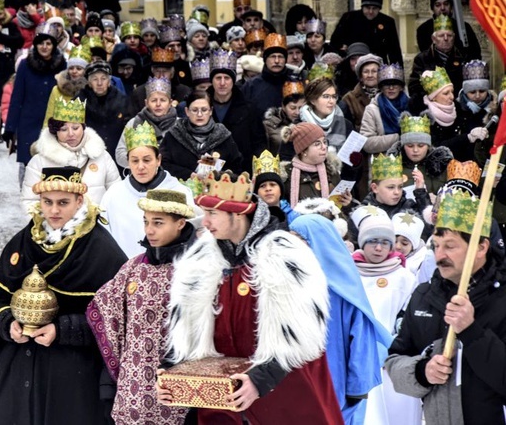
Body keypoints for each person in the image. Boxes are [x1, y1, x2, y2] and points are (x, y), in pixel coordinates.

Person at [159, 178, 345, 424]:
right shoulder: (200, 261)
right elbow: (187, 326)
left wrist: (259, 381)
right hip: (225, 400)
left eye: (212, 213)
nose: (205, 222)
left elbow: (303, 337)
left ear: (237, 214)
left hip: (287, 395)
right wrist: (172, 370)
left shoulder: (285, 256)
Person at [0, 166, 127, 425]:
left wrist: (62, 330)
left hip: (73, 376)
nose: (54, 211)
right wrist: (8, 325)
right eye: (47, 202)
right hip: (20, 366)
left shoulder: (101, 250)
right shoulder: (24, 241)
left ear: (80, 200)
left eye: (63, 203)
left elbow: (117, 318)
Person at [385, 190, 506, 424]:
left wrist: (472, 331)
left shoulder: (501, 300)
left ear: (481, 247)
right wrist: (422, 372)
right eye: (436, 245)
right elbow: (394, 360)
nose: (440, 256)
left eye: (450, 246)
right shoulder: (424, 296)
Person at [87, 189, 205, 424]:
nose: (149, 230)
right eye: (146, 222)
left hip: (179, 395)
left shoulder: (199, 270)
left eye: (158, 223)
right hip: (132, 394)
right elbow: (105, 312)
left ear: (180, 223)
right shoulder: (134, 268)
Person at [290, 214, 393, 425]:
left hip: (337, 383)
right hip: (297, 382)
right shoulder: (289, 282)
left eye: (298, 240)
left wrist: (358, 387)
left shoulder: (343, 287)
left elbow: (362, 338)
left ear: (317, 242)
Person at [350, 211, 421, 425]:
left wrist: (394, 346)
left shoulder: (404, 277)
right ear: (362, 243)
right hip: (359, 358)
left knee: (397, 413)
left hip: (394, 360)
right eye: (372, 242)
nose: (379, 248)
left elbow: (409, 317)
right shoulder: (351, 274)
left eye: (384, 242)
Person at [102, 122, 197, 257]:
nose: (141, 166)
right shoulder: (113, 194)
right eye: (135, 161)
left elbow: (189, 238)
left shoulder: (179, 193)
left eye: (147, 160)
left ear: (158, 160)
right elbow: (105, 239)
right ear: (128, 162)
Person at [22, 97, 120, 213]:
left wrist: (104, 223)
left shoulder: (102, 157)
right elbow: (29, 201)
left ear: (83, 128)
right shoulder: (39, 161)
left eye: (75, 128)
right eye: (63, 129)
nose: (71, 134)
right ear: (55, 132)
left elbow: (116, 196)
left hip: (96, 227)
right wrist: (49, 225)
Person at [4, 23, 66, 182]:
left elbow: (66, 95)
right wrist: (10, 127)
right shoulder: (26, 65)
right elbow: (17, 97)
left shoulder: (61, 65)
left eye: (48, 43)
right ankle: (27, 198)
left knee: (51, 165)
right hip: (28, 122)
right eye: (41, 43)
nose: (44, 47)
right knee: (28, 163)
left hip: (54, 124)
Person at [160, 89, 243, 179]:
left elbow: (237, 167)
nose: (199, 114)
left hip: (215, 190)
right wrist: (188, 174)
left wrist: (218, 174)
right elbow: (162, 164)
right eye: (195, 110)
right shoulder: (173, 135)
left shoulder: (223, 135)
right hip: (179, 189)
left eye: (204, 110)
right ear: (187, 111)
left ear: (210, 111)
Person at [281, 122, 349, 208]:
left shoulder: (331, 170)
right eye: (317, 144)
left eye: (324, 142)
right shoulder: (287, 176)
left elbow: (340, 210)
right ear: (303, 151)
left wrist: (346, 203)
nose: (324, 147)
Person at [386, 113, 453, 199]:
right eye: (410, 146)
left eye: (421, 145)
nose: (415, 150)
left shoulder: (442, 166)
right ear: (403, 146)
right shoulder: (391, 166)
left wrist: (438, 200)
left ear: (428, 145)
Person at [408, 15, 466, 115]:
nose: (446, 38)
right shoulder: (422, 59)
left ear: (454, 37)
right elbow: (414, 87)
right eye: (441, 36)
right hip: (429, 109)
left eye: (449, 35)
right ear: (434, 39)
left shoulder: (462, 58)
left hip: (456, 108)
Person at [117, 77, 179, 168]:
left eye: (163, 100)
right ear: (146, 103)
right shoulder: (134, 123)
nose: (158, 104)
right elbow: (120, 154)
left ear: (170, 102)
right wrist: (141, 162)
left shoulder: (180, 125)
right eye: (153, 100)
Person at [331, 0, 403, 67]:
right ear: (362, 7)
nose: (371, 11)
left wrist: (396, 73)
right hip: (352, 64)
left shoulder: (387, 22)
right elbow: (335, 42)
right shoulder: (349, 18)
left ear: (379, 9)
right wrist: (344, 52)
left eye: (374, 9)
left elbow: (394, 51)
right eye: (368, 8)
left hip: (377, 65)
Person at [79, 60, 132, 158]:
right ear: (89, 83)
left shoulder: (122, 100)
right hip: (87, 154)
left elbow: (129, 128)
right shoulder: (79, 101)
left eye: (103, 79)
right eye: (95, 79)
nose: (99, 83)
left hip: (115, 154)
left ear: (109, 82)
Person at [416, 0, 481, 60]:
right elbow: (426, 57)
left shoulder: (464, 27)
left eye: (446, 4)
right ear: (432, 8)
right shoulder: (423, 30)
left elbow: (475, 55)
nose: (442, 8)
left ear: (451, 6)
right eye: (438, 5)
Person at [360, 63, 409, 155]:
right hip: (383, 161)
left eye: (395, 84)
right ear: (381, 88)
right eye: (386, 85)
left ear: (401, 87)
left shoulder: (411, 106)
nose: (391, 88)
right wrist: (398, 138)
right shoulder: (372, 109)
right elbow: (366, 143)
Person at [300, 77, 351, 151]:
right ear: (312, 100)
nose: (331, 101)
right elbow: (287, 158)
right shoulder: (299, 125)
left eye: (334, 97)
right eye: (326, 96)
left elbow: (353, 158)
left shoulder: (346, 124)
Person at [263, 80, 305, 161]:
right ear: (283, 106)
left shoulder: (307, 123)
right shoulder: (270, 124)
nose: (297, 112)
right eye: (292, 108)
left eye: (301, 108)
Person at [340, 53, 382, 131]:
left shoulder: (388, 94)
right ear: (360, 77)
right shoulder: (349, 99)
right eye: (366, 72)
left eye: (374, 71)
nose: (370, 75)